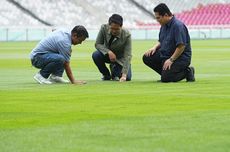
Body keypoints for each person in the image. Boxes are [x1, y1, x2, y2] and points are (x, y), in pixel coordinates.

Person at [143, 3, 195, 82]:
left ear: (166, 15)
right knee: (147, 57)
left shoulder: (178, 26)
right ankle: (167, 73)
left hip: (180, 58)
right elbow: (162, 41)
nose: (157, 20)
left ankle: (187, 71)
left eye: (158, 18)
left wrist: (171, 60)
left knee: (166, 79)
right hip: (166, 54)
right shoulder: (163, 25)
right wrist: (154, 47)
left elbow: (181, 46)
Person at [92, 14, 132, 82]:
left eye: (117, 29)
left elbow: (128, 55)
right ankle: (106, 75)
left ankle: (114, 69)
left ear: (121, 26)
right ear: (109, 25)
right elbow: (98, 44)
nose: (114, 31)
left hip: (120, 59)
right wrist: (109, 52)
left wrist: (124, 75)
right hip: (107, 55)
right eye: (112, 28)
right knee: (96, 55)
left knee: (127, 78)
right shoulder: (103, 28)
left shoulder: (127, 35)